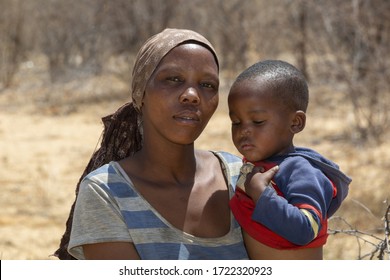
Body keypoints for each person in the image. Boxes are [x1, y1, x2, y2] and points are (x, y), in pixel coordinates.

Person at [54, 28, 276, 260]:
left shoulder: (242, 177)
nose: (192, 95)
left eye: (207, 85)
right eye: (173, 79)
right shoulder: (106, 192)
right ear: (141, 92)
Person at [228, 60, 352, 260]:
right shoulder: (254, 166)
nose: (243, 131)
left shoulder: (300, 170)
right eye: (236, 122)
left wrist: (261, 194)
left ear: (295, 122)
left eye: (258, 121)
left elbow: (305, 230)